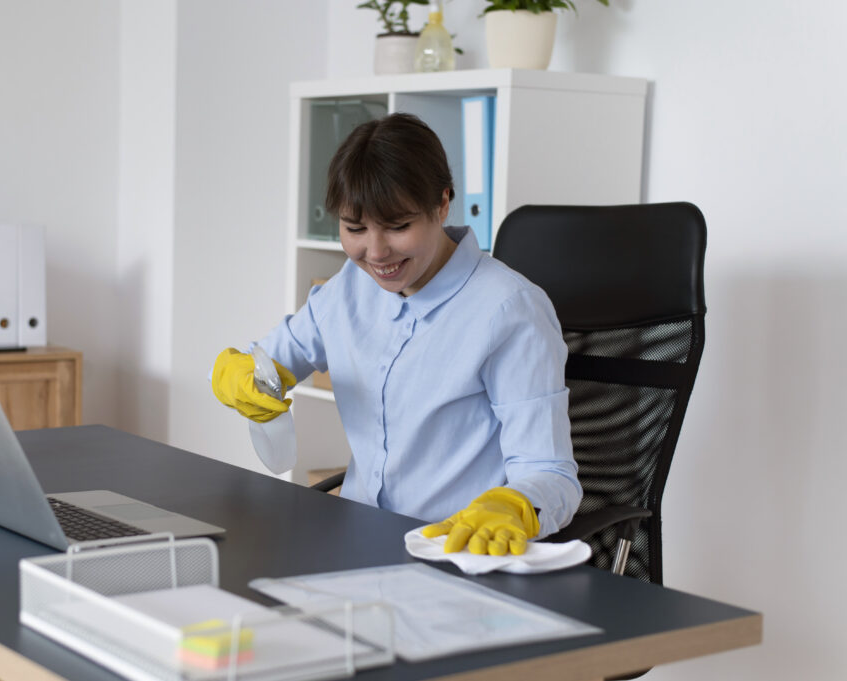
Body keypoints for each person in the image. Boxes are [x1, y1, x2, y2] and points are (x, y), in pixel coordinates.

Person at [212, 113, 580, 556]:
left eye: (398, 226)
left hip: (457, 556)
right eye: (354, 228)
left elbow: (551, 472)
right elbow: (272, 362)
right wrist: (242, 374)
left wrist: (514, 506)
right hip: (356, 545)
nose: (375, 251)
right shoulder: (348, 287)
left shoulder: (509, 310)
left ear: (442, 204)